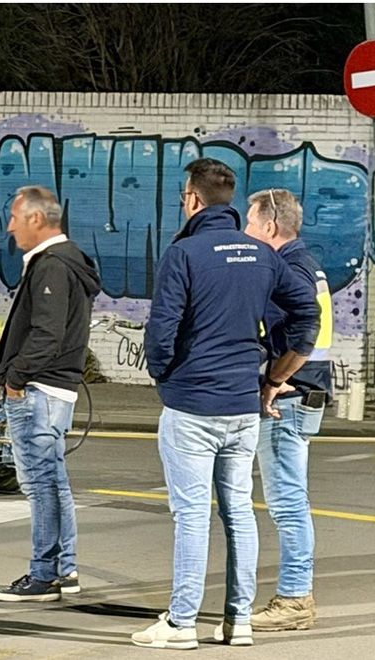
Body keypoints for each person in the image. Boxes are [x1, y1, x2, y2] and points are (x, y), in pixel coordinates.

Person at [134, 159, 319, 650]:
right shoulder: (262, 255)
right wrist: (278, 374)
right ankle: (237, 621)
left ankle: (180, 622)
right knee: (238, 509)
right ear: (229, 199)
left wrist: (163, 373)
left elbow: (162, 328)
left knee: (192, 514)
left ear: (193, 198)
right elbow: (307, 313)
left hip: (193, 403)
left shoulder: (185, 253)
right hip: (242, 405)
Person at [0, 186, 100, 603]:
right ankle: (63, 569)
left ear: (37, 219)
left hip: (38, 391)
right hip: (55, 390)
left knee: (39, 485)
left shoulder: (51, 265)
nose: (10, 225)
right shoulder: (68, 262)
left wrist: (15, 379)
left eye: (15, 217)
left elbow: (47, 333)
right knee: (52, 483)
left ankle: (43, 574)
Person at [242, 188, 332, 633]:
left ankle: (295, 599)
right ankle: (294, 595)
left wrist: (274, 381)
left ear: (271, 227)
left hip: (289, 398)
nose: (245, 232)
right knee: (290, 500)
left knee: (288, 503)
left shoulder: (286, 267)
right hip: (306, 394)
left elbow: (305, 330)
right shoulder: (309, 264)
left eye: (251, 224)